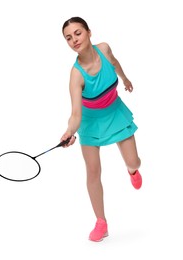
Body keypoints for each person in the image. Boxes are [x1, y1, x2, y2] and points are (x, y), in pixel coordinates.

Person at [60, 17, 142, 242]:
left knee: (134, 161)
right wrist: (69, 132)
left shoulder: (104, 49)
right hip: (90, 122)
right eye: (68, 38)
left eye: (77, 33)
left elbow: (115, 64)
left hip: (115, 112)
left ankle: (132, 171)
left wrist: (124, 79)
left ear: (88, 32)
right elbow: (76, 114)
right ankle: (101, 223)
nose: (74, 40)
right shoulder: (76, 75)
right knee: (93, 172)